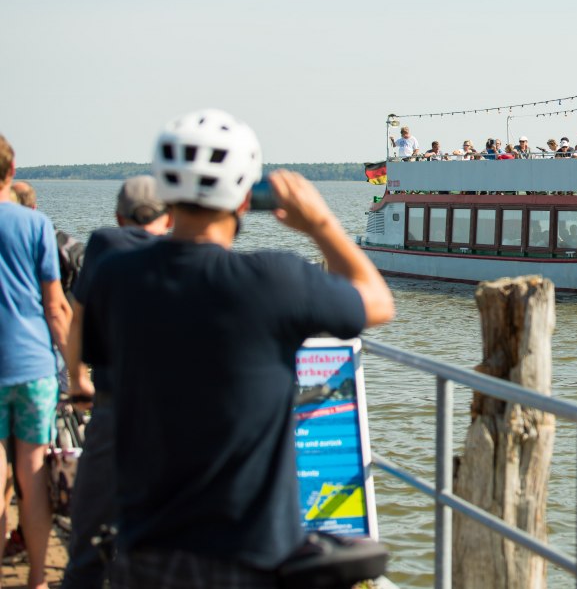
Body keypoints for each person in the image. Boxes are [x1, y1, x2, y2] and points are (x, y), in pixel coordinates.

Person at [79, 110, 395, 588]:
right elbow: (377, 303)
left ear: (164, 192)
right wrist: (322, 224)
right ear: (246, 197)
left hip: (146, 549)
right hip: (251, 556)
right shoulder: (275, 280)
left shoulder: (114, 277)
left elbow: (102, 366)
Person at [62, 176, 172, 589]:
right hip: (173, 414)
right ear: (170, 217)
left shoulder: (104, 244)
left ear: (118, 216)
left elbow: (78, 318)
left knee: (88, 535)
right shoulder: (185, 252)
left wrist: (77, 380)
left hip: (114, 406)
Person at [0, 133, 71, 589]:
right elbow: (56, 305)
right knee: (32, 468)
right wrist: (77, 370)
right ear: (12, 171)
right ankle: (39, 581)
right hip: (33, 362)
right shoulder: (35, 223)